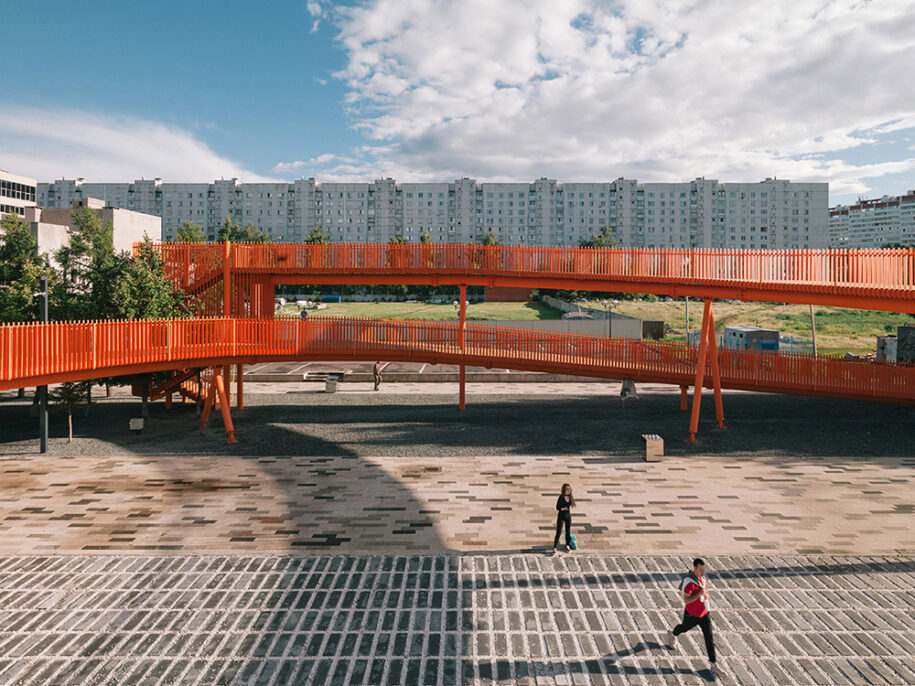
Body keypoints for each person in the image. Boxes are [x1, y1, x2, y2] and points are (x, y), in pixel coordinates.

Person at [667, 558, 723, 679]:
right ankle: (672, 634)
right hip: (692, 614)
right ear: (695, 568)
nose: (703, 572)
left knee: (709, 639)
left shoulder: (703, 579)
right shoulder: (689, 583)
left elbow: (705, 592)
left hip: (704, 614)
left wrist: (705, 594)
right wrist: (699, 594)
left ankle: (713, 665)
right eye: (701, 570)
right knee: (683, 628)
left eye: (704, 569)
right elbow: (686, 600)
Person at [552, 483, 575, 556]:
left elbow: (572, 504)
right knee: (559, 531)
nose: (569, 490)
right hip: (561, 516)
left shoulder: (570, 497)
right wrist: (563, 508)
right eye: (567, 489)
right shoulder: (561, 497)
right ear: (564, 490)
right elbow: (557, 507)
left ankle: (567, 545)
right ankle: (555, 547)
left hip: (568, 516)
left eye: (569, 489)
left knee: (568, 531)